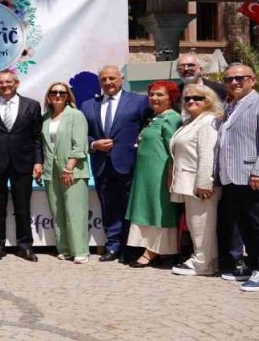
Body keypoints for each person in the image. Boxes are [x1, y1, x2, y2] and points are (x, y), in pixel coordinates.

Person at [216, 63, 259, 291]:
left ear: (253, 80)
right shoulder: (230, 106)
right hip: (233, 177)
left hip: (254, 176)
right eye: (229, 79)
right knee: (245, 225)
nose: (234, 82)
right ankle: (254, 265)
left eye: (240, 78)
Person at [81, 65, 150, 262]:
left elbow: (148, 127)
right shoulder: (87, 105)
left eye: (112, 78)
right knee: (108, 206)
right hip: (102, 164)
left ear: (121, 79)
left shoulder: (139, 101)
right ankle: (113, 246)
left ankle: (131, 247)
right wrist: (93, 144)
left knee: (130, 206)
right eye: (104, 79)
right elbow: (81, 134)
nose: (108, 82)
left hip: (130, 164)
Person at [0, 70, 43, 262]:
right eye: (0, 83)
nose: (4, 85)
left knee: (23, 207)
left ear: (17, 83)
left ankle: (25, 245)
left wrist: (38, 161)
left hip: (23, 162)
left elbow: (37, 137)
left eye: (8, 82)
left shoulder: (32, 105)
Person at [125, 81, 183, 267]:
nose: (154, 98)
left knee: (159, 210)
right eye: (152, 94)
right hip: (146, 174)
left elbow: (174, 150)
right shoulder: (155, 117)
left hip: (160, 174)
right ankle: (157, 249)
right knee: (148, 210)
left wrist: (171, 175)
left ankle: (153, 251)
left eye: (160, 94)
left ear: (170, 98)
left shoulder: (171, 118)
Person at [169, 84, 222, 277]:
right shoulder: (190, 122)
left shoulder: (208, 121)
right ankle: (203, 259)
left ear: (207, 101)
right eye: (187, 98)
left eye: (197, 98)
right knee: (196, 224)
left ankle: (203, 264)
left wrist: (204, 183)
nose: (191, 101)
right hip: (188, 181)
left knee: (202, 226)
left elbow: (208, 154)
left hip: (200, 185)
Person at [38, 82, 90, 263]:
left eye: (62, 92)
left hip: (72, 170)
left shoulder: (76, 115)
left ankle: (80, 250)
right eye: (54, 92)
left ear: (68, 96)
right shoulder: (45, 118)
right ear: (48, 97)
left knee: (75, 212)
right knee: (57, 211)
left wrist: (69, 167)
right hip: (51, 170)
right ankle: (64, 248)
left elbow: (80, 145)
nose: (58, 95)